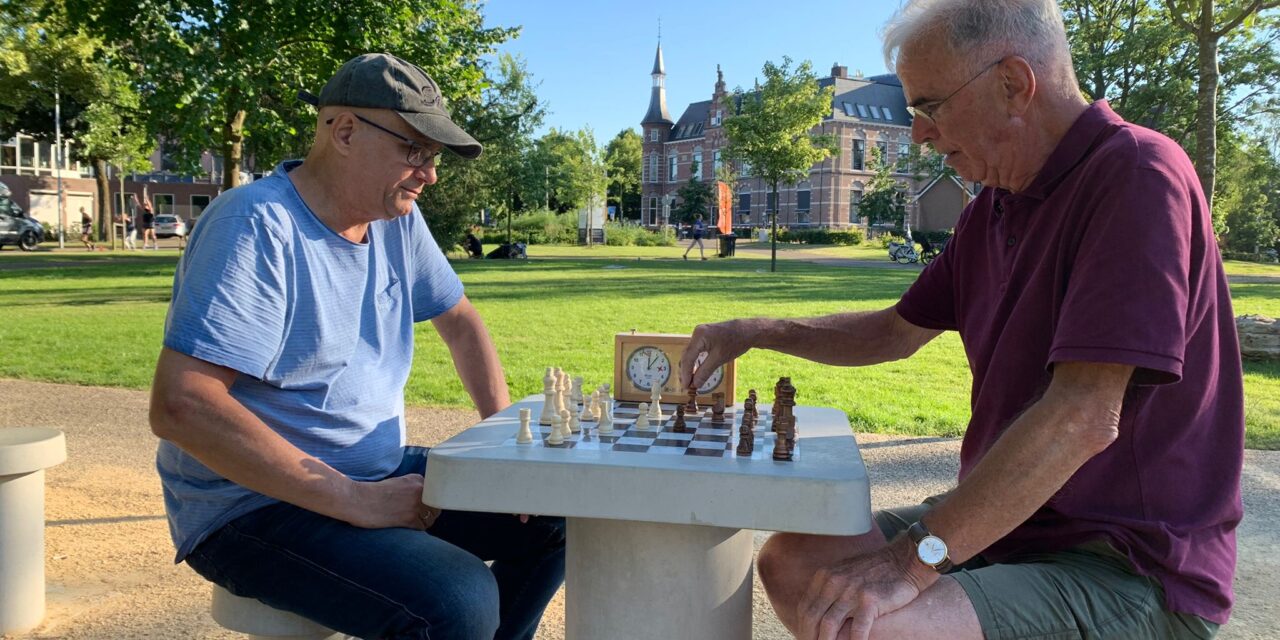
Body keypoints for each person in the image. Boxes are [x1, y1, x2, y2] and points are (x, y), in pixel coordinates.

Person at [678, 2, 1242, 639]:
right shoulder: (996, 205)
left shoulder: (1138, 176)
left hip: (1124, 563)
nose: (918, 133)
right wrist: (755, 332)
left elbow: (1083, 415)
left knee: (877, 623)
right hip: (1015, 528)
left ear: (1013, 84)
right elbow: (895, 330)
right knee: (793, 561)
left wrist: (911, 562)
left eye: (930, 105)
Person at [149, 53, 565, 640]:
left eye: (434, 156)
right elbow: (181, 406)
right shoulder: (256, 225)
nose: (430, 174)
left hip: (373, 473)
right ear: (344, 131)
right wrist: (351, 499)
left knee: (556, 512)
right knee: (458, 596)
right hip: (249, 506)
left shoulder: (397, 220)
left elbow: (462, 321)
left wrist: (506, 456)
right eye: (414, 150)